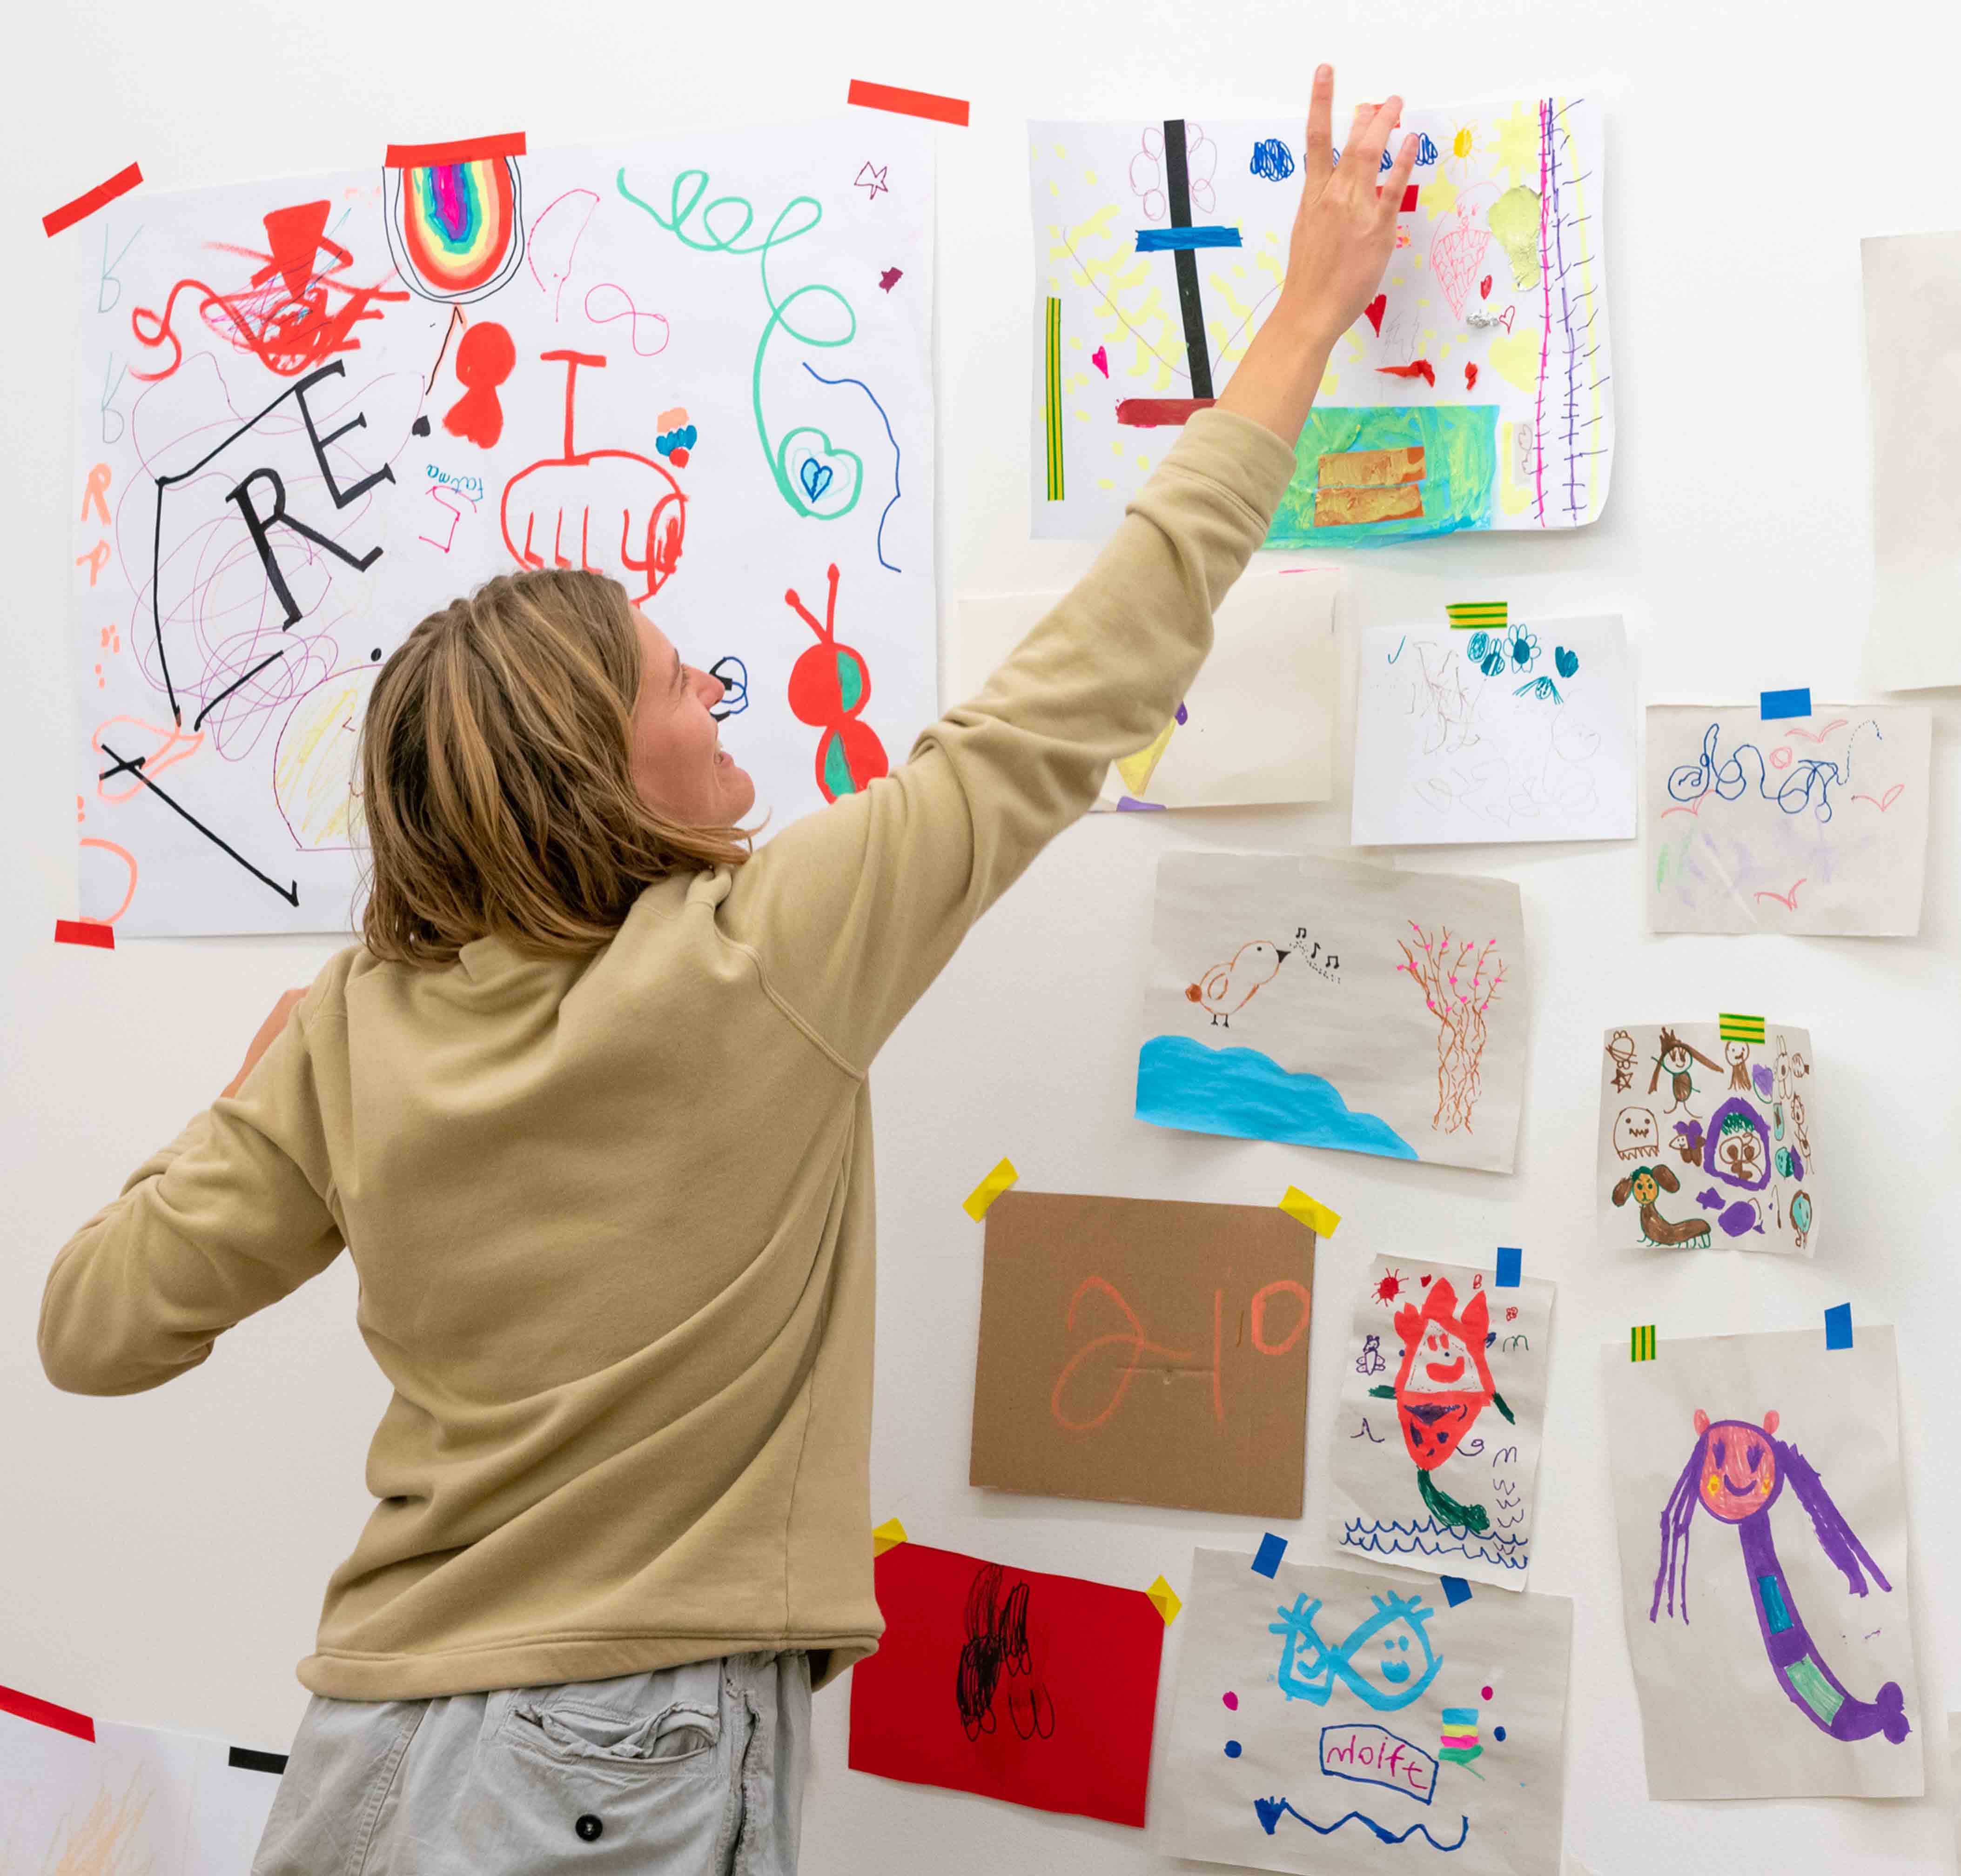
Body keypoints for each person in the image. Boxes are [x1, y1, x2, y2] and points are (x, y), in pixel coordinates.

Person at [36, 69, 1419, 1873]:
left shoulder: (355, 1033)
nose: (719, 699)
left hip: (372, 1736)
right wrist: (1305, 314)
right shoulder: (763, 955)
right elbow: (1090, 676)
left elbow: (92, 1332)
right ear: (600, 762)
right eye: (681, 680)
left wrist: (249, 1093)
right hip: (618, 1737)